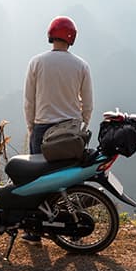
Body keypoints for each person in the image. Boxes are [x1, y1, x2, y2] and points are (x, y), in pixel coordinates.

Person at [21, 15, 93, 244]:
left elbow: (29, 101)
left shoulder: (37, 62)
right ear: (72, 39)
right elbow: (88, 104)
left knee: (36, 181)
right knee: (70, 179)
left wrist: (31, 126)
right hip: (70, 131)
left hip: (42, 129)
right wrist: (82, 126)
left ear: (50, 35)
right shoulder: (81, 65)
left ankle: (34, 233)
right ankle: (75, 229)